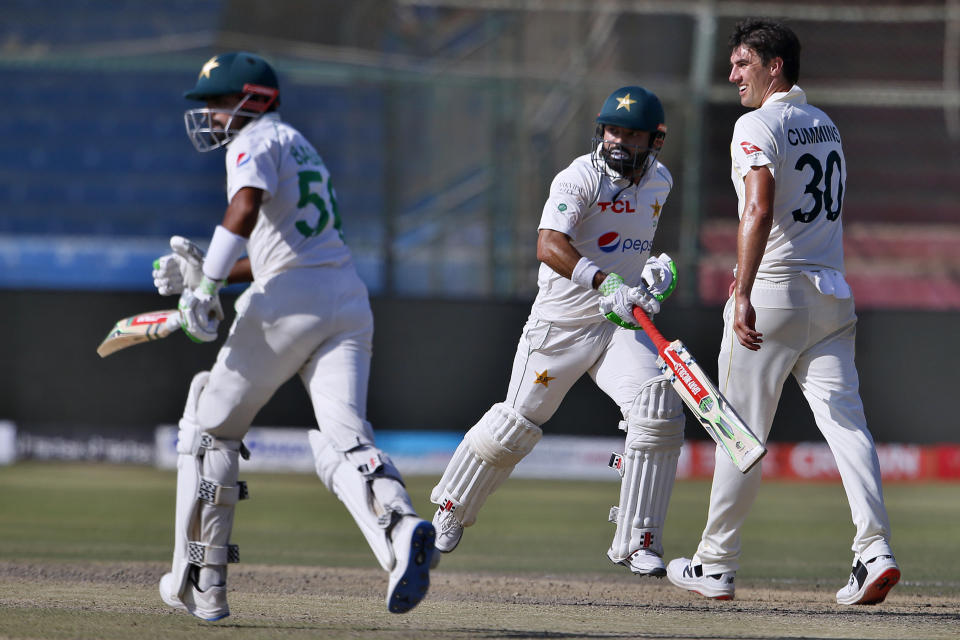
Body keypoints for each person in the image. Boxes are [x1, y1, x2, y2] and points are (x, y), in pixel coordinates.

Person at [152, 51, 435, 620]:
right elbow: (274, 249)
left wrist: (205, 287)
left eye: (217, 102)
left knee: (211, 427)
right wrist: (207, 272)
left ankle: (205, 583)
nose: (209, 115)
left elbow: (246, 207)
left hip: (289, 300)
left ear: (251, 100)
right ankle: (402, 526)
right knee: (346, 436)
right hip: (347, 299)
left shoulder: (251, 141)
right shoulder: (300, 144)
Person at [666, 19, 899, 605]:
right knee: (848, 429)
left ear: (774, 68)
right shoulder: (825, 123)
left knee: (736, 431)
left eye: (743, 63)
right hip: (832, 295)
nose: (732, 75)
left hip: (773, 293)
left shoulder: (757, 123)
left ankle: (715, 565)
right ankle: (875, 552)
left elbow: (758, 209)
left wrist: (740, 290)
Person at [430, 86, 685, 578]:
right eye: (612, 129)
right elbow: (549, 244)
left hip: (616, 326)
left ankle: (639, 539)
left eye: (630, 133)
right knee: (516, 426)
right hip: (560, 326)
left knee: (656, 407)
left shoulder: (661, 181)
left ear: (655, 140)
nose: (617, 141)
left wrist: (648, 280)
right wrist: (606, 281)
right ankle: (450, 510)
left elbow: (629, 249)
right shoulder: (578, 176)